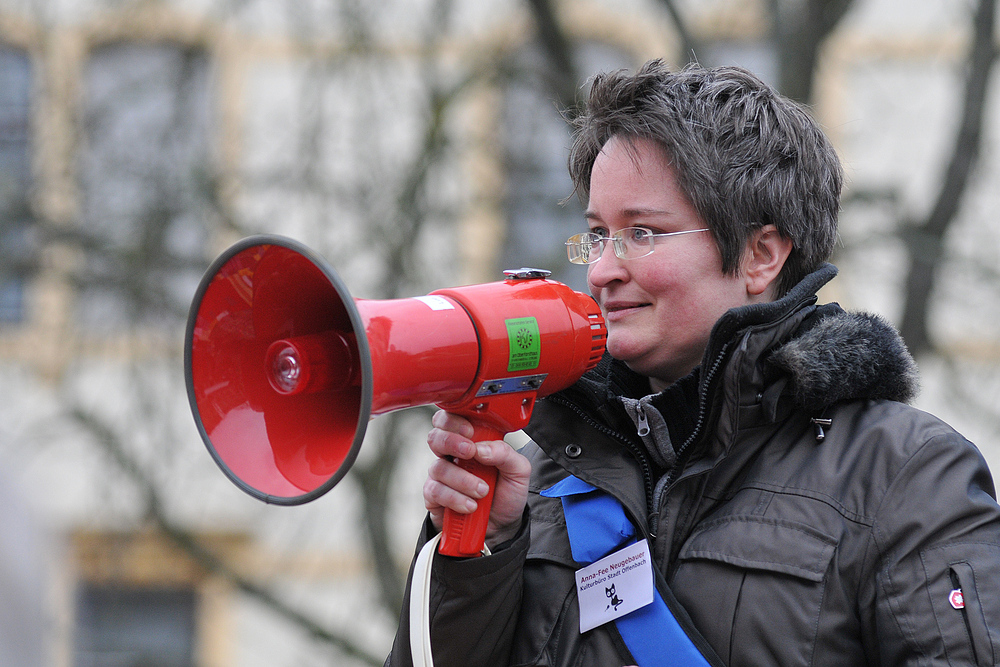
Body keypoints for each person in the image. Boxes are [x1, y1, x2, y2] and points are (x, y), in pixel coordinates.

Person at [386, 60, 1000, 666]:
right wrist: (479, 560)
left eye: (643, 233)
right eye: (597, 234)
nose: (602, 270)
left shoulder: (905, 475)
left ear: (761, 254)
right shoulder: (537, 485)